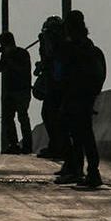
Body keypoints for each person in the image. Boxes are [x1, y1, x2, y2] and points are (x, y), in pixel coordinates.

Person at [56, 10, 107, 188]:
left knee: (74, 134)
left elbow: (61, 76)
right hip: (86, 98)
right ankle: (88, 171)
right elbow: (100, 74)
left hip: (74, 98)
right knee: (84, 135)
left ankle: (80, 170)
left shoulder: (70, 50)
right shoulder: (92, 49)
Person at [32, 15, 69, 161]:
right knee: (49, 116)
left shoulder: (58, 45)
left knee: (52, 116)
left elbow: (51, 59)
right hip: (56, 85)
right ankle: (57, 146)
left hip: (57, 87)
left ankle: (58, 147)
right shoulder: (60, 43)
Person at [0, 31, 34, 154]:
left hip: (21, 91)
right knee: (8, 118)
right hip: (9, 91)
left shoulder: (22, 54)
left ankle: (27, 145)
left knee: (23, 117)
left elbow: (22, 69)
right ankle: (13, 144)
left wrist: (9, 59)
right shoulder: (6, 56)